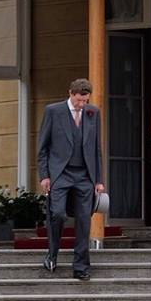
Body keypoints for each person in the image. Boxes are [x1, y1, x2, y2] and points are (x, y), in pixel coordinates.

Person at [37, 78, 106, 280]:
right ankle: (52, 255)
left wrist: (99, 180)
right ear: (70, 93)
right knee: (58, 214)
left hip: (85, 176)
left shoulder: (93, 113)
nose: (81, 104)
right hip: (60, 174)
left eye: (85, 101)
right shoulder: (53, 111)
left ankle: (81, 267)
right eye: (78, 100)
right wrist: (44, 176)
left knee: (84, 220)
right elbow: (43, 148)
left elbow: (96, 149)